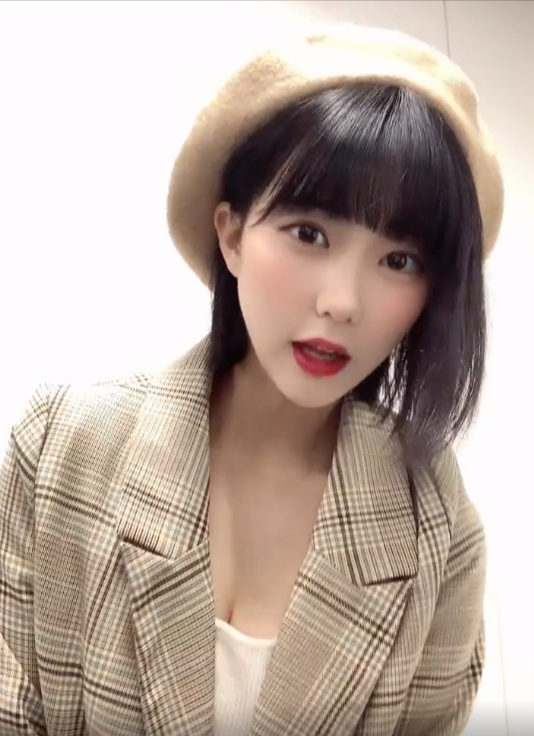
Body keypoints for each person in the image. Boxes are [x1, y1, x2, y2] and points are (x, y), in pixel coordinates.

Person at [0, 22, 503, 736]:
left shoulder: (438, 528)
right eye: (309, 233)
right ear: (231, 234)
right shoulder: (63, 446)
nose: (342, 302)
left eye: (399, 261)